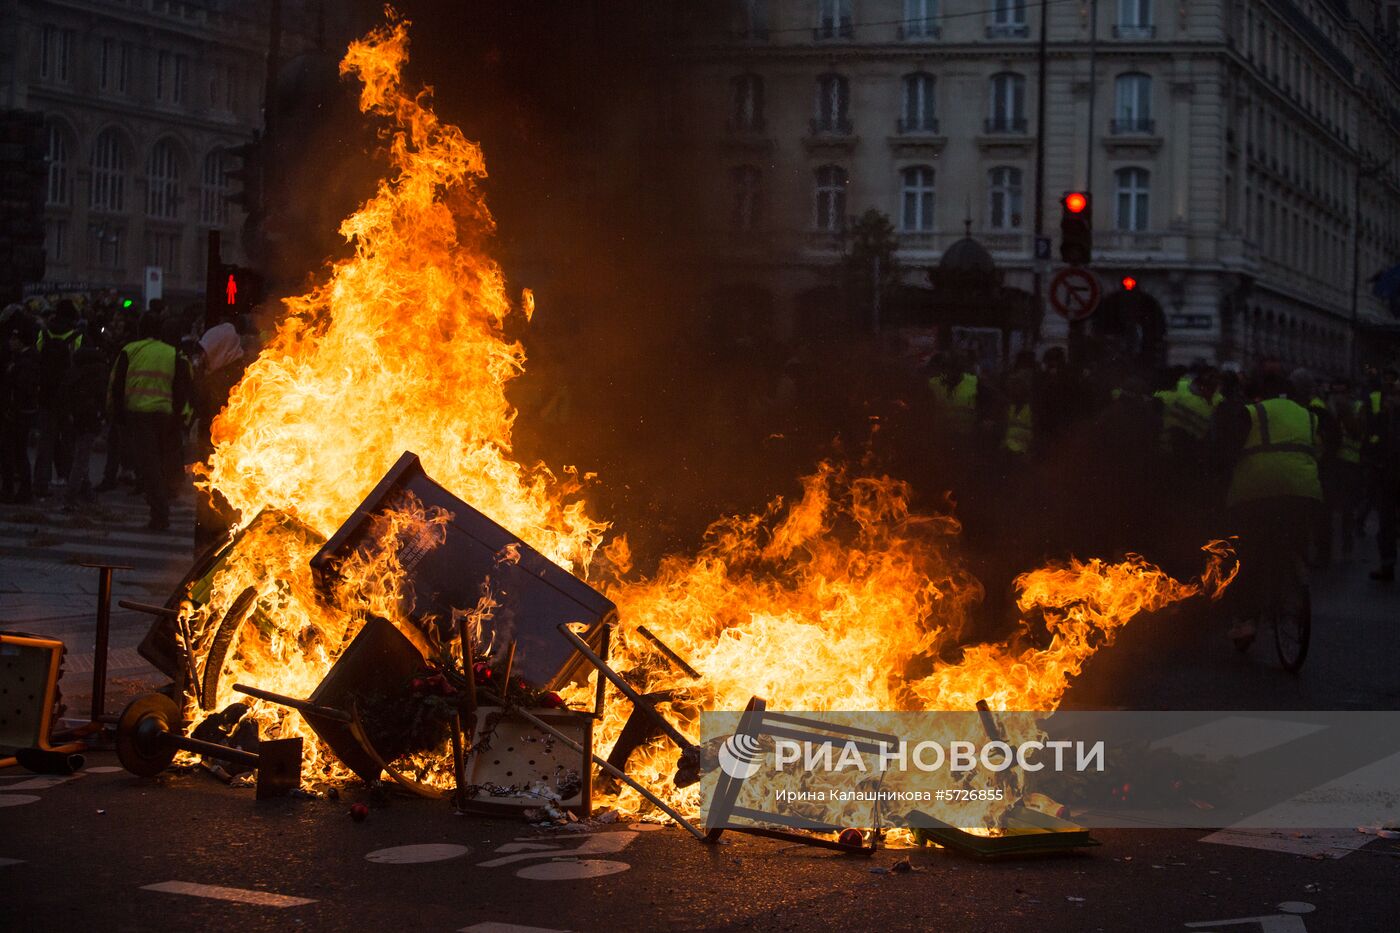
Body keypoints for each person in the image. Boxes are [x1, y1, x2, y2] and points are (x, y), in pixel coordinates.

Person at [1217, 369, 1323, 647]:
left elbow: (1228, 449)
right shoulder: (1308, 415)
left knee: (1249, 555)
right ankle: (1295, 577)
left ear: (1259, 393)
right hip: (1303, 491)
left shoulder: (1252, 411)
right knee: (1292, 541)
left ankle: (1245, 621)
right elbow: (1319, 451)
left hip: (1256, 493)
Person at [110, 314, 190, 531]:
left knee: (149, 465)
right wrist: (177, 417)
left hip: (139, 415)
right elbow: (181, 388)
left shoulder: (130, 350)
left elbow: (117, 385)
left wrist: (117, 416)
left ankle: (160, 516)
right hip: (165, 415)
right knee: (161, 462)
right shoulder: (172, 353)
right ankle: (165, 500)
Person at [32, 299, 83, 497]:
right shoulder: (76, 335)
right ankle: (69, 482)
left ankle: (40, 484)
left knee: (45, 441)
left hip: (46, 394)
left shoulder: (44, 332)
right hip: (68, 396)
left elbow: (37, 356)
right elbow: (79, 364)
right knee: (69, 440)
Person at [60, 335, 108, 509]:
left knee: (80, 454)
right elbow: (102, 397)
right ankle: (70, 495)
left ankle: (85, 490)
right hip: (90, 418)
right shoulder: (98, 374)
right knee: (81, 457)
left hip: (75, 418)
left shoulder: (73, 373)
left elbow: (64, 396)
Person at [1, 313, 41, 504]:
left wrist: (11, 408)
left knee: (13, 452)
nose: (10, 341)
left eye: (14, 338)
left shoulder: (23, 363)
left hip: (17, 414)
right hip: (21, 412)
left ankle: (16, 490)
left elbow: (21, 389)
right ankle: (19, 490)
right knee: (17, 452)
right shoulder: (24, 359)